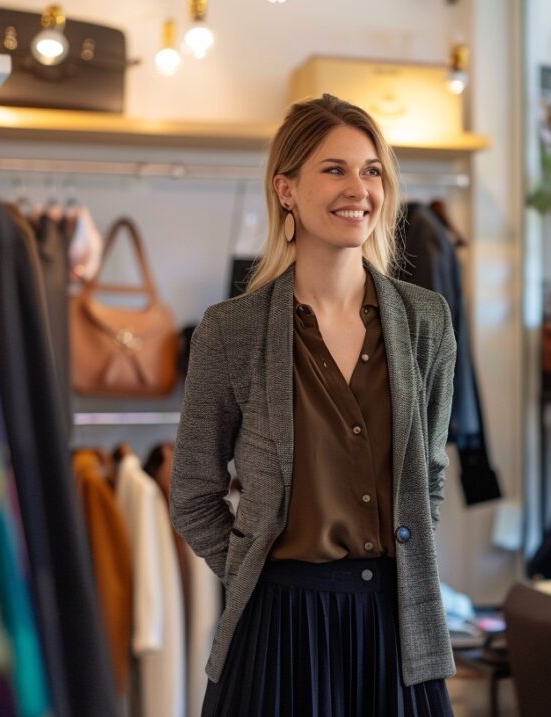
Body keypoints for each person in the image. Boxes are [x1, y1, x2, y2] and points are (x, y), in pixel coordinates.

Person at [170, 93, 457, 716]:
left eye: (372, 169)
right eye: (334, 169)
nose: (359, 187)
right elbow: (193, 494)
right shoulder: (231, 330)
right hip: (277, 630)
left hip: (397, 628)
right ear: (286, 189)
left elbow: (428, 476)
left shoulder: (425, 321)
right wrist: (256, 573)